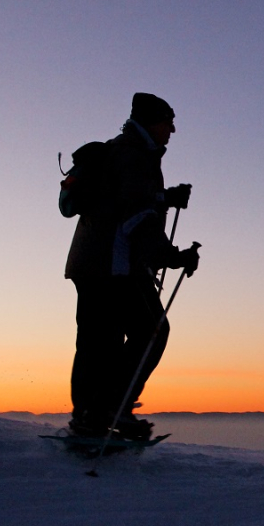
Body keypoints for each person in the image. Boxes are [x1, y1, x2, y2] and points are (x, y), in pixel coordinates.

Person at [63, 93, 198, 440]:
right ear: (152, 122)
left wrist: (166, 198)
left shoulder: (120, 149)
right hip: (116, 264)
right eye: (168, 121)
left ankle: (89, 415)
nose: (172, 129)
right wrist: (172, 257)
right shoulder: (135, 155)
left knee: (97, 339)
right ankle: (111, 408)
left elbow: (123, 199)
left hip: (90, 261)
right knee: (152, 330)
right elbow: (137, 216)